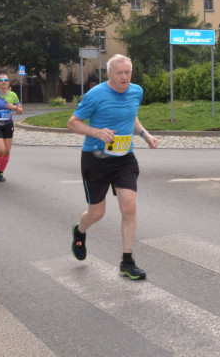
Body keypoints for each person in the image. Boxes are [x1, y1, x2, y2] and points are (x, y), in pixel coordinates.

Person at [66, 54, 158, 280]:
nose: (124, 77)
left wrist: (145, 135)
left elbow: (131, 115)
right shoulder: (95, 95)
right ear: (109, 75)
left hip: (124, 159)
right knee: (97, 212)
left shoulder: (136, 91)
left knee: (129, 207)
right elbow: (72, 123)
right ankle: (80, 231)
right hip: (95, 159)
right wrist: (97, 132)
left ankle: (127, 261)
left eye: (127, 72)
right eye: (119, 73)